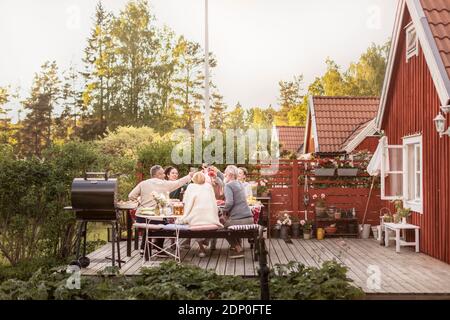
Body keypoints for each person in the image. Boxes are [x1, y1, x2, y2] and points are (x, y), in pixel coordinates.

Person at [129, 165, 194, 256]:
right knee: (164, 223)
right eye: (163, 173)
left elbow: (131, 196)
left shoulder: (143, 183)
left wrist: (140, 202)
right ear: (158, 174)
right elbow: (179, 182)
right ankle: (158, 248)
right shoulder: (164, 184)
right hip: (155, 219)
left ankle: (143, 249)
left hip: (141, 218)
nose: (164, 175)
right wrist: (189, 176)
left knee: (149, 226)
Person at [176, 172, 223, 257]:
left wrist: (184, 215)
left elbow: (186, 202)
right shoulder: (208, 187)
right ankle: (200, 242)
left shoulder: (191, 187)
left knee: (192, 220)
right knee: (202, 220)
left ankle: (201, 249)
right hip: (211, 218)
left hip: (196, 219)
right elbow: (213, 201)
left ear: (193, 180)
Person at [222, 165, 253, 259]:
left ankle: (237, 248)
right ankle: (236, 245)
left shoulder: (228, 185)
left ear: (230, 174)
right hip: (249, 218)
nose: (224, 175)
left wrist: (223, 211)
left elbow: (229, 202)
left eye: (225, 174)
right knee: (228, 222)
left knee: (222, 226)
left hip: (239, 220)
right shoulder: (240, 183)